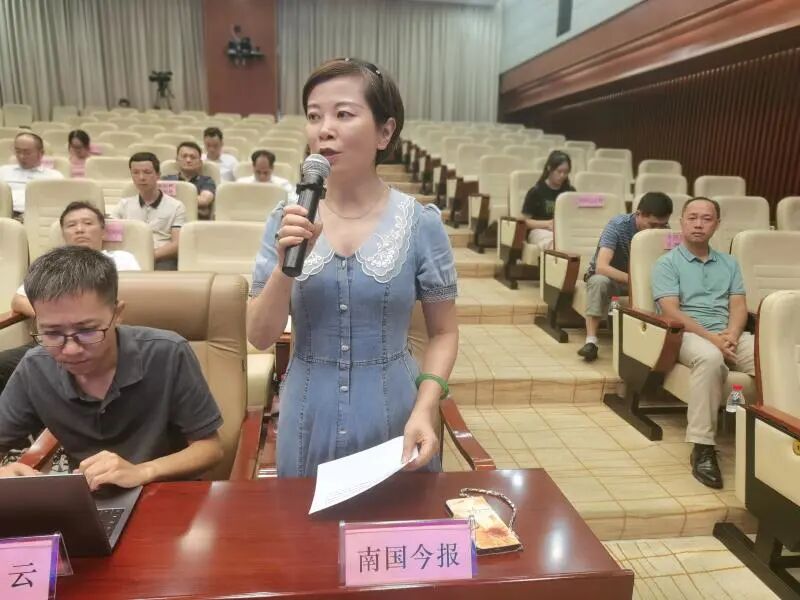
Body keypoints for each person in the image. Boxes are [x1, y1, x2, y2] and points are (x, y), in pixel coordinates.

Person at [247, 58, 458, 478]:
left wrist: (426, 405)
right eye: (314, 116)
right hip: (308, 414)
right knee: (306, 519)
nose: (324, 129)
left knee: (395, 520)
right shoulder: (286, 220)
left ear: (385, 132)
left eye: (343, 114)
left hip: (397, 414)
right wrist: (285, 268)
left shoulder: (421, 224)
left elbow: (444, 333)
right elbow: (259, 336)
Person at [0, 246, 224, 486]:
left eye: (87, 330)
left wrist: (143, 471)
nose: (71, 349)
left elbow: (210, 448)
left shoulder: (168, 353)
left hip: (165, 492)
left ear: (117, 314)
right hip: (88, 497)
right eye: (52, 333)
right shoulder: (35, 367)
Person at [652, 197, 753, 489]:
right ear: (681, 222)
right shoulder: (667, 263)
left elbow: (738, 306)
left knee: (770, 356)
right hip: (686, 334)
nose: (698, 224)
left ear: (717, 225)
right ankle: (703, 447)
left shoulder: (729, 263)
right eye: (692, 218)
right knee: (710, 358)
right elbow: (671, 311)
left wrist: (732, 335)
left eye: (706, 219)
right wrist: (713, 340)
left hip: (727, 335)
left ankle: (781, 433)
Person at [0, 201, 141, 399]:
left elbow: (135, 297)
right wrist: (56, 320)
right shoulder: (53, 266)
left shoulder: (122, 259)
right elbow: (18, 300)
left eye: (87, 223)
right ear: (64, 234)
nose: (80, 229)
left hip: (104, 339)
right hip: (54, 342)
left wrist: (80, 322)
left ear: (103, 231)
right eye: (71, 225)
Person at [578, 191, 673, 362]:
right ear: (639, 214)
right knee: (599, 281)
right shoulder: (617, 225)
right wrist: (636, 281)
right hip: (614, 279)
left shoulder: (665, 231)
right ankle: (591, 341)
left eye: (662, 225)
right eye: (652, 225)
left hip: (644, 281)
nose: (657, 230)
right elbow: (602, 267)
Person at [113, 152, 185, 270]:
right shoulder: (123, 205)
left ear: (158, 175)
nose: (141, 177)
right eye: (136, 172)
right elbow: (112, 239)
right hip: (130, 259)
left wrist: (148, 256)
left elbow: (177, 244)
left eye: (147, 172)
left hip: (162, 259)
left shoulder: (176, 206)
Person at [521, 150, 575, 250]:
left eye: (566, 172)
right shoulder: (536, 191)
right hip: (540, 230)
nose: (562, 175)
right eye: (559, 171)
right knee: (555, 244)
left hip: (564, 230)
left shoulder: (570, 192)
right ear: (549, 168)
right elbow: (524, 222)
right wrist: (548, 224)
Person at [0, 132, 63, 215]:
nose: (21, 156)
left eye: (27, 153)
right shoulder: (3, 171)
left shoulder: (54, 176)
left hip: (36, 217)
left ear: (41, 153)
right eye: (18, 151)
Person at [162, 142, 216, 219]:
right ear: (177, 160)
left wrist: (172, 200)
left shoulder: (207, 181)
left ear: (200, 163)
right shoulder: (167, 180)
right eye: (184, 156)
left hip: (196, 222)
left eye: (193, 157)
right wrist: (195, 205)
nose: (188, 160)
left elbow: (204, 200)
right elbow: (159, 200)